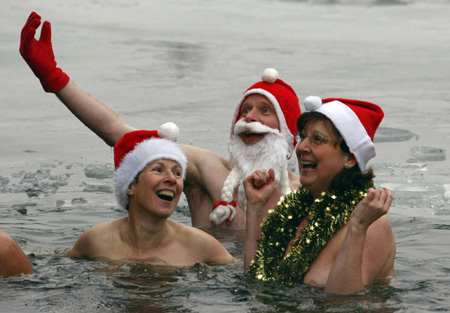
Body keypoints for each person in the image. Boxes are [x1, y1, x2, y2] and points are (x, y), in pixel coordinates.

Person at [19, 12, 302, 229]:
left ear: (289, 135)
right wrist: (54, 78)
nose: (250, 117)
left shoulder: (307, 194)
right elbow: (118, 133)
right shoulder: (208, 169)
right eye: (245, 110)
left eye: (266, 111)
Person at [243, 96, 395, 294]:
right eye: (302, 136)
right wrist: (255, 209)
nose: (302, 147)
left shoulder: (371, 223)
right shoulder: (293, 211)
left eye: (317, 139)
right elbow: (254, 281)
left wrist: (357, 228)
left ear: (349, 158)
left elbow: (342, 303)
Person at [64, 123, 235, 266]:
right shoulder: (96, 241)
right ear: (131, 186)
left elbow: (252, 278)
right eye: (158, 170)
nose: (171, 179)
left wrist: (256, 207)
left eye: (177, 173)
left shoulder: (201, 246)